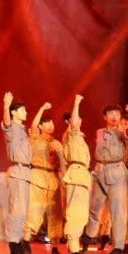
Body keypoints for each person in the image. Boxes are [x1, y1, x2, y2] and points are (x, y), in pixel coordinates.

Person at [81, 104, 128, 254]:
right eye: (111, 114)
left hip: (117, 171)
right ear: (105, 117)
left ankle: (118, 246)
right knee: (95, 209)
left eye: (117, 114)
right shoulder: (100, 132)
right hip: (100, 171)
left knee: (118, 210)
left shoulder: (123, 132)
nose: (114, 117)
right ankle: (88, 238)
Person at [22, 102, 65, 254]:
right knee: (35, 210)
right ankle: (26, 239)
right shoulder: (35, 139)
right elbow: (33, 126)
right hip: (37, 176)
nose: (50, 126)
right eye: (46, 123)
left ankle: (55, 245)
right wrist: (41, 109)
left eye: (52, 123)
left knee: (55, 214)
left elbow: (62, 165)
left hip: (53, 179)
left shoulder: (57, 144)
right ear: (40, 126)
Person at [0, 92, 31, 254]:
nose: (26, 113)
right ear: (14, 112)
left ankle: (17, 240)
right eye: (22, 110)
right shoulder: (12, 127)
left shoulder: (23, 131)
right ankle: (13, 242)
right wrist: (6, 105)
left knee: (23, 212)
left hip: (26, 173)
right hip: (17, 171)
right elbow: (6, 123)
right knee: (17, 210)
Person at [62, 94, 90, 254]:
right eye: (75, 118)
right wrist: (77, 102)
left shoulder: (80, 137)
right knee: (75, 213)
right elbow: (73, 124)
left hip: (83, 177)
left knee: (81, 214)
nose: (78, 121)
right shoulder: (71, 134)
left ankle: (72, 245)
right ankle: (73, 247)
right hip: (76, 175)